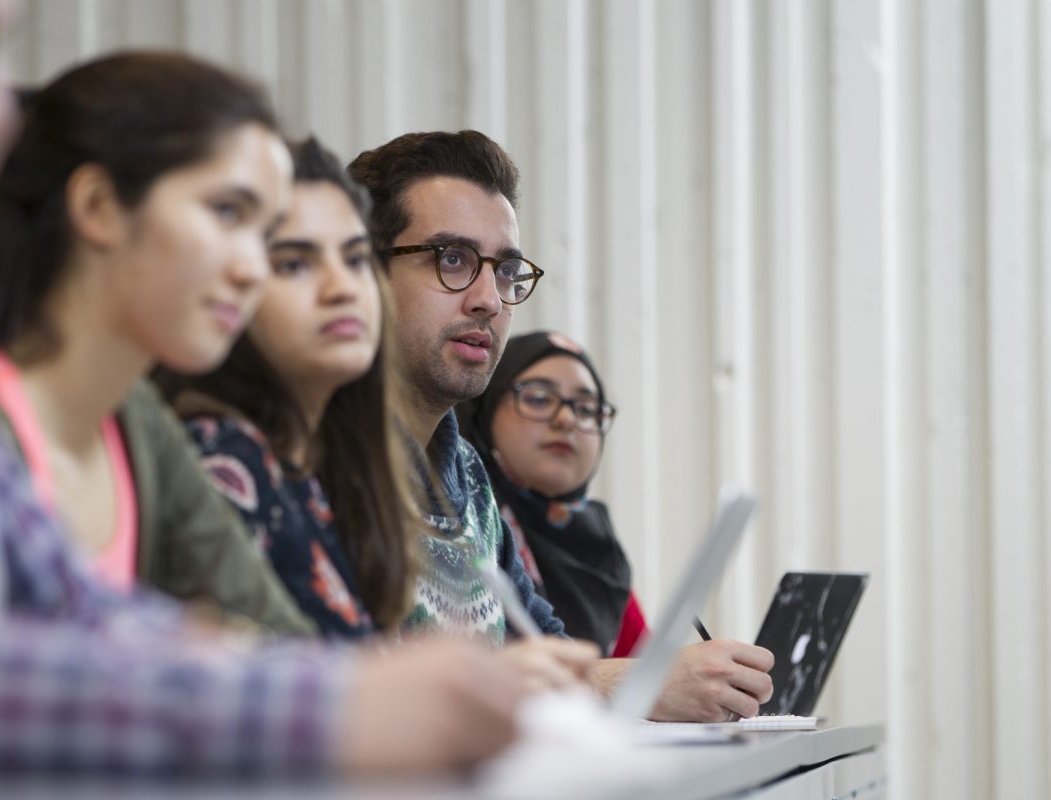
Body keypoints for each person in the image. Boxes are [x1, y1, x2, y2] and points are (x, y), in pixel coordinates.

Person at [0, 1, 523, 775]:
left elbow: (91, 616)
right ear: (99, 208)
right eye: (233, 217)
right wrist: (317, 706)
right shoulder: (209, 445)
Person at [349, 130, 775, 721]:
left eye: (506, 270)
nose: (489, 300)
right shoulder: (317, 457)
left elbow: (540, 646)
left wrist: (643, 679)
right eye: (452, 259)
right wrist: (632, 684)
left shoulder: (465, 476)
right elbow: (346, 684)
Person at [0, 51, 314, 635]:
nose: (255, 270)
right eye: (227, 211)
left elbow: (277, 639)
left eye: (268, 235)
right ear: (99, 207)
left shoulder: (136, 420)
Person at [154, 136, 418, 638]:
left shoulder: (327, 467)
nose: (341, 287)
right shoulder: (224, 456)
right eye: (295, 263)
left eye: (356, 258)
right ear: (234, 281)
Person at [456, 330, 647, 657]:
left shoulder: (597, 554)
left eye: (586, 408)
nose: (566, 419)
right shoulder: (457, 526)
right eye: (539, 398)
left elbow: (649, 680)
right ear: (485, 412)